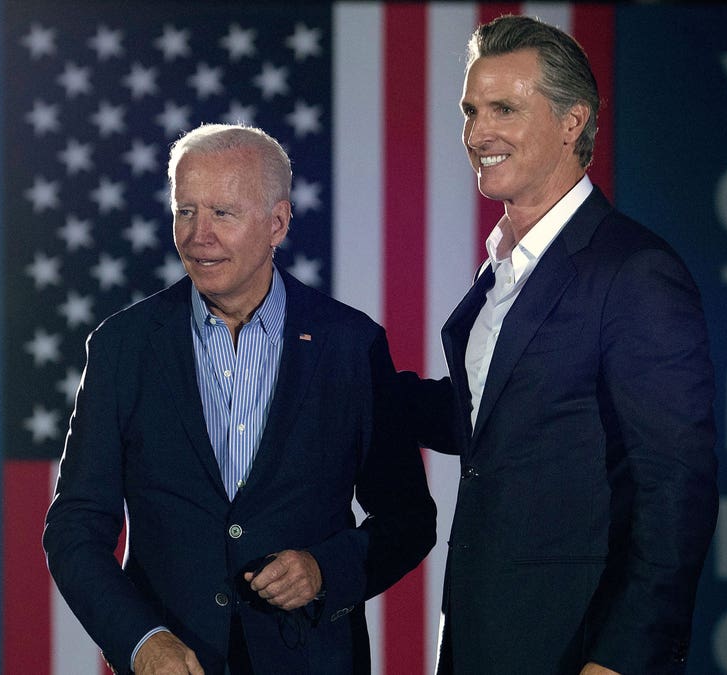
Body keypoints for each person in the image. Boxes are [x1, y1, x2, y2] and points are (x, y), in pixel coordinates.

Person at [43, 123, 436, 675]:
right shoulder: (123, 347)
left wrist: (324, 570)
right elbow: (75, 527)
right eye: (185, 211)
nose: (198, 235)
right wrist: (140, 641)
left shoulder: (350, 345)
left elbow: (408, 517)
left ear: (277, 222)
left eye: (222, 214)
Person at [397, 15, 718, 675]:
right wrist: (352, 378)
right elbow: (493, 425)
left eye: (504, 109)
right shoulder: (504, 267)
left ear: (574, 122)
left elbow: (674, 490)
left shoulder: (633, 272)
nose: (477, 132)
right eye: (471, 110)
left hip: (575, 647)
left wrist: (621, 659)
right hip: (482, 639)